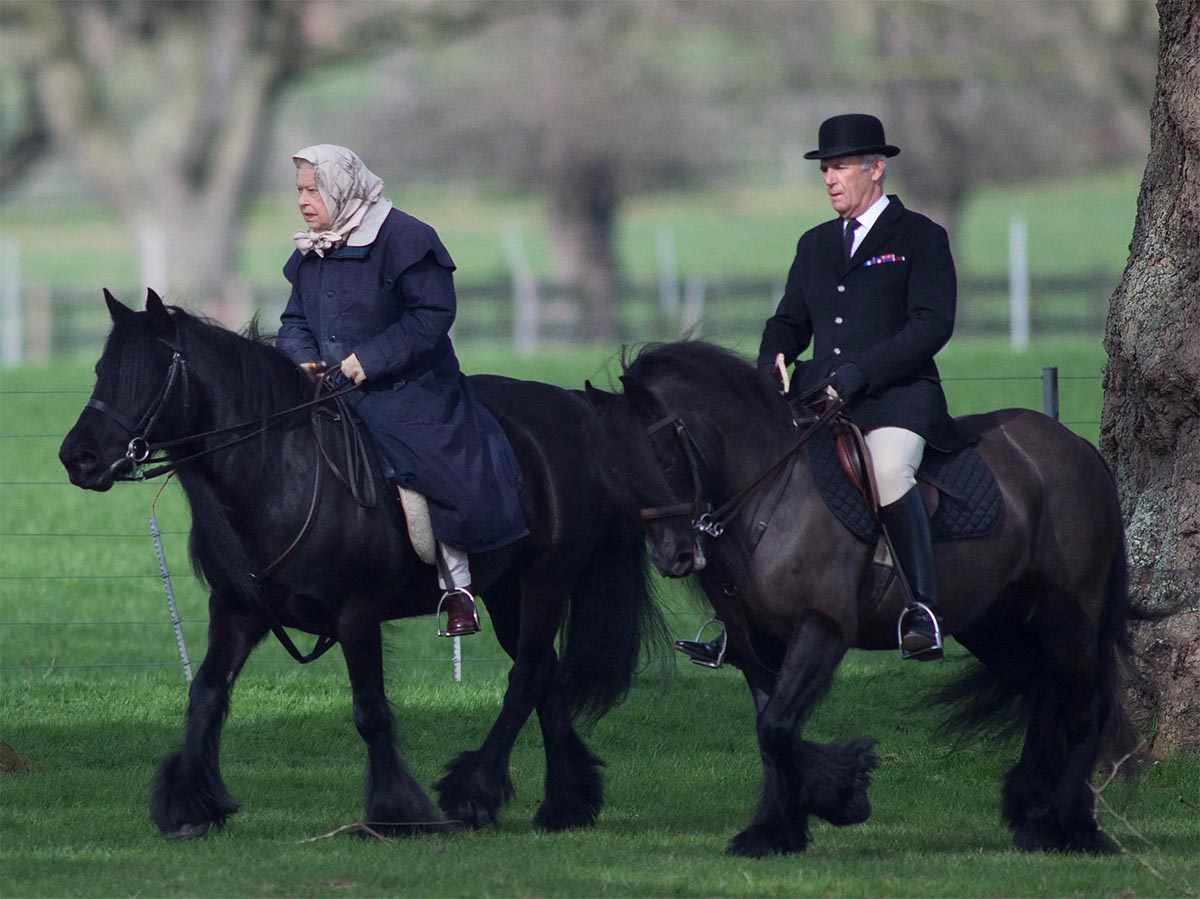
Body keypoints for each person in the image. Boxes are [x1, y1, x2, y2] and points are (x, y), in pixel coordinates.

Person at [278, 144, 528, 637]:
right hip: (329, 391)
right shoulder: (313, 248)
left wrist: (367, 361)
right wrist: (302, 357)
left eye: (313, 189)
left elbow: (431, 316)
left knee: (431, 470)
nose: (305, 201)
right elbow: (293, 321)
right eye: (300, 191)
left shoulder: (407, 238)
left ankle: (457, 589)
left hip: (410, 390)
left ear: (341, 186)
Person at [757, 114, 974, 661]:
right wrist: (772, 356)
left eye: (841, 168)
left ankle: (922, 607)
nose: (830, 179)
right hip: (817, 399)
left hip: (894, 397)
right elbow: (790, 320)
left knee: (889, 469)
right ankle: (743, 611)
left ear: (876, 169)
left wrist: (860, 373)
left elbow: (931, 324)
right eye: (825, 169)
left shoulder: (920, 238)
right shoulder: (814, 245)